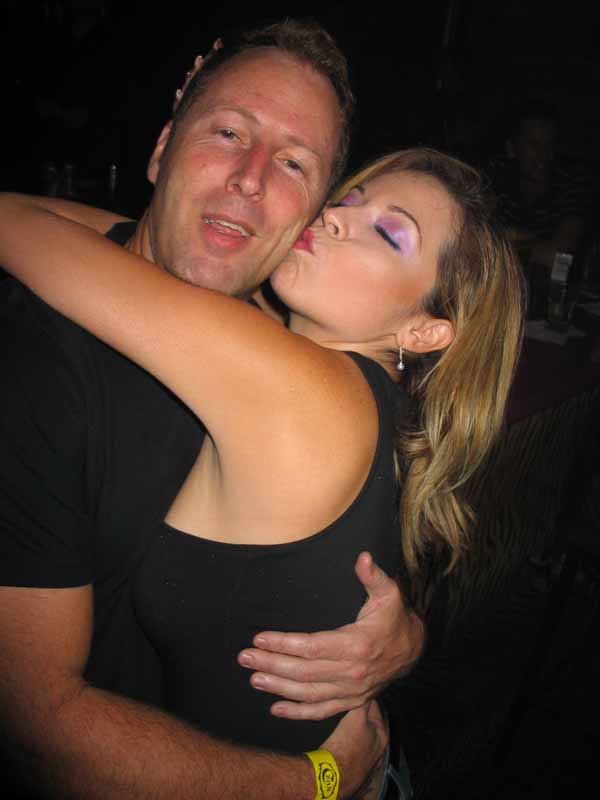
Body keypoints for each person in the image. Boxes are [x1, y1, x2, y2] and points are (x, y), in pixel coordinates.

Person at [0, 146, 525, 798]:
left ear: (423, 332)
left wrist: (327, 778)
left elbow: (23, 230)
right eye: (349, 199)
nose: (335, 217)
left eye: (389, 234)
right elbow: (121, 235)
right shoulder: (364, 397)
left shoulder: (305, 391)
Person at [0, 19, 424, 800]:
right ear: (161, 149)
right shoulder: (35, 370)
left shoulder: (281, 333)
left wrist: (407, 634)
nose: (251, 178)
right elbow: (36, 731)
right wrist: (321, 780)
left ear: (308, 218)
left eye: (293, 162)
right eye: (228, 132)